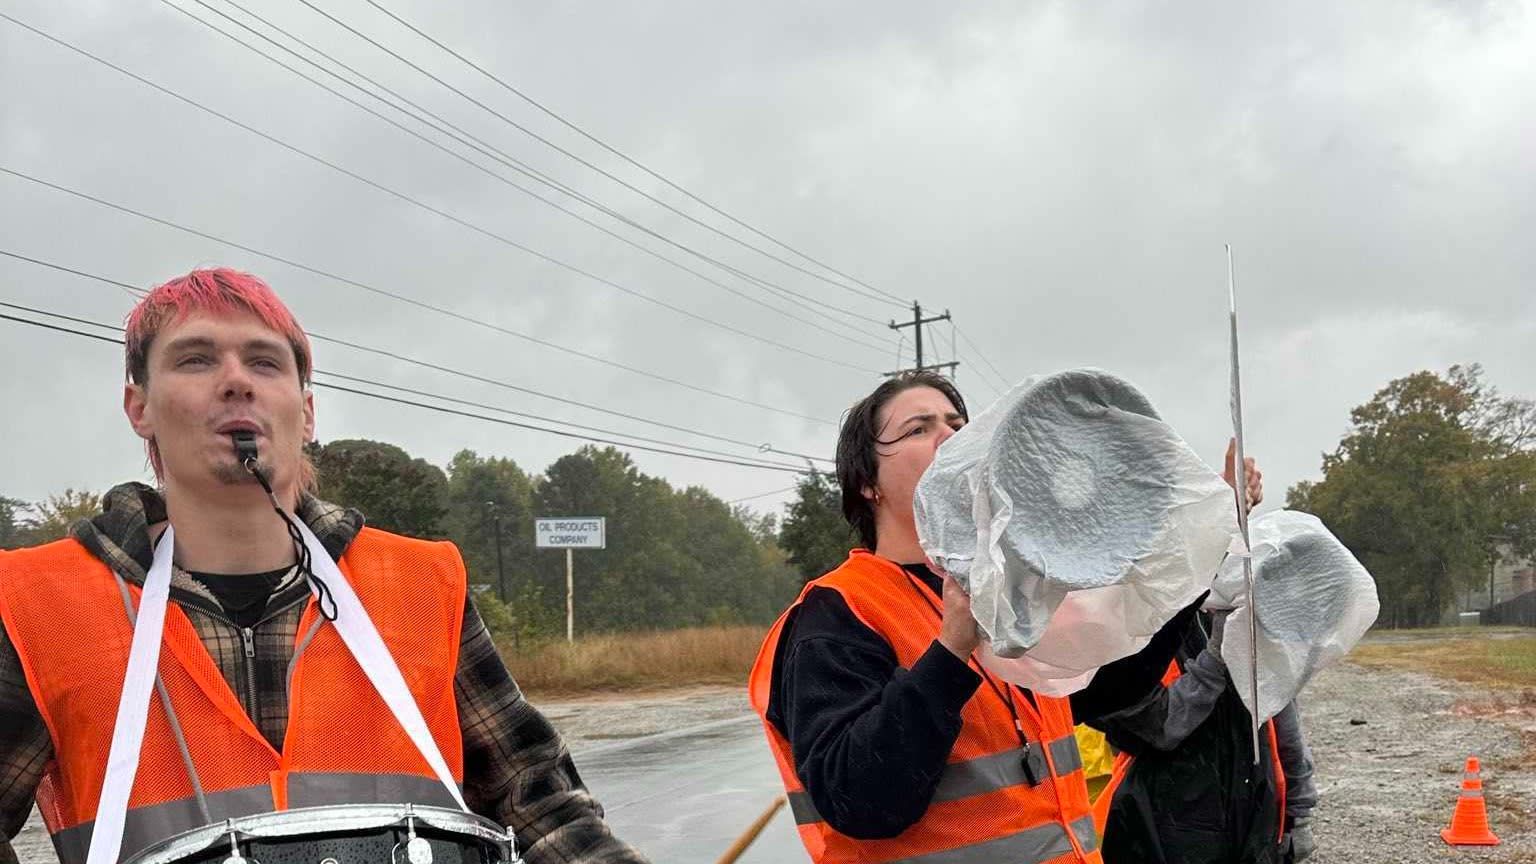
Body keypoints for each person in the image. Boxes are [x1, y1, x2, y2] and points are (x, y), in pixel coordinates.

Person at [0, 270, 648, 864]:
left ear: (306, 414)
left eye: (264, 361)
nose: (235, 380)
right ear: (138, 407)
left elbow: (536, 802)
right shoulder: (35, 605)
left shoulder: (422, 586)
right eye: (195, 359)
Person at [748, 370, 1266, 864]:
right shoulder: (837, 613)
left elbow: (1112, 690)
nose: (949, 437)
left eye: (957, 424)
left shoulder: (1014, 589)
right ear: (868, 482)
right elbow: (859, 798)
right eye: (918, 428)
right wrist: (950, 649)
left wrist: (1208, 538)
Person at [1090, 604, 1319, 863]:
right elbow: (1158, 728)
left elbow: (1281, 715)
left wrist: (1298, 812)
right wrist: (1216, 658)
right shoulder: (1126, 620)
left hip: (1254, 813)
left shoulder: (1232, 609)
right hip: (1163, 823)